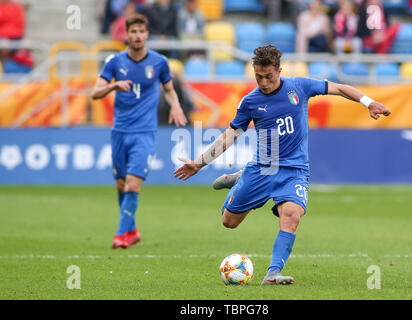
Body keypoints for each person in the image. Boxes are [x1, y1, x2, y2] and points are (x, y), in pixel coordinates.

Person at [174, 45, 391, 285]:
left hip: (295, 170)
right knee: (229, 222)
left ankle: (273, 273)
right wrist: (199, 163)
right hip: (262, 170)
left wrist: (368, 102)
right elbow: (230, 135)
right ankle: (240, 179)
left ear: (279, 70)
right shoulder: (250, 102)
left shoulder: (299, 87)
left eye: (269, 76)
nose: (264, 82)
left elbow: (338, 88)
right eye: (259, 77)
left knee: (292, 214)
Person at [91, 14, 187, 249]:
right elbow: (95, 92)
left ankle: (120, 235)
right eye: (133, 32)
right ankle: (132, 230)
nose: (137, 36)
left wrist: (174, 104)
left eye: (141, 31)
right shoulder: (114, 62)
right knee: (121, 185)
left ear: (147, 34)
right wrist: (113, 85)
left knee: (133, 184)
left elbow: (169, 89)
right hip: (119, 131)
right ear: (127, 34)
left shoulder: (159, 62)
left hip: (144, 132)